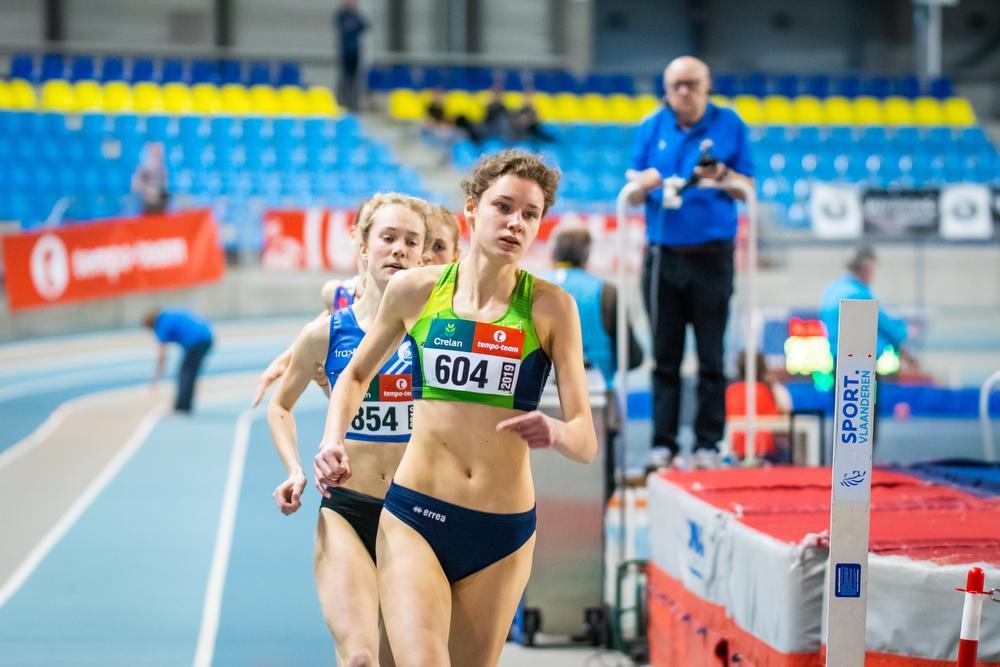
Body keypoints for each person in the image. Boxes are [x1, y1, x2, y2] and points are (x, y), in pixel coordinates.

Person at [315, 150, 597, 666]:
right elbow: (354, 374)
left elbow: (585, 439)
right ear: (472, 207)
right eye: (503, 206)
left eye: (530, 214)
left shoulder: (552, 307)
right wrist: (332, 438)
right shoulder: (416, 291)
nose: (515, 222)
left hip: (502, 532)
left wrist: (553, 431)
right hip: (415, 516)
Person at [267, 193, 430, 666]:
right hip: (348, 509)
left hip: (415, 512)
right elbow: (280, 405)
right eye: (388, 238)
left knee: (403, 656)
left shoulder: (436, 332)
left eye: (411, 241)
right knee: (360, 657)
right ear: (363, 246)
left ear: (423, 254)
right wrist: (295, 469)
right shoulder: (326, 333)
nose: (399, 250)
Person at [626, 55, 755, 469]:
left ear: (706, 85)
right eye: (676, 84)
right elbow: (632, 181)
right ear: (665, 88)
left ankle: (707, 443)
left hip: (712, 258)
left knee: (712, 356)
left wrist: (723, 177)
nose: (683, 91)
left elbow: (747, 186)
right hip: (663, 258)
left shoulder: (730, 125)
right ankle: (663, 443)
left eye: (691, 84)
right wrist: (641, 182)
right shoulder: (651, 126)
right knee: (665, 356)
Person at [542, 226, 642, 499]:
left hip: (537, 405)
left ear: (554, 254)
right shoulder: (606, 293)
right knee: (597, 486)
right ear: (587, 256)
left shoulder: (534, 287)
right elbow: (633, 356)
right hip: (595, 402)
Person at [819, 245, 910, 364]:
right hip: (859, 361)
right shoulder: (858, 295)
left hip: (836, 357)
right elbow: (884, 325)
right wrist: (902, 337)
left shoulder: (833, 289)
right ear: (867, 268)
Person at [143, 307, 213, 413]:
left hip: (197, 341)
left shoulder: (161, 325)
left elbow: (162, 356)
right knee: (189, 373)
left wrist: (156, 378)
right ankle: (185, 405)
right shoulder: (169, 314)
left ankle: (182, 406)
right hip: (206, 336)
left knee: (185, 373)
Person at [725, 352, 792, 460]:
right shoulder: (767, 390)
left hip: (735, 449)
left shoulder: (731, 391)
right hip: (763, 450)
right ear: (763, 369)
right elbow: (780, 420)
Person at [334, 0, 367, 111]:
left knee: (355, 78)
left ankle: (354, 103)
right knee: (345, 78)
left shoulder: (356, 15)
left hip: (355, 51)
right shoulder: (341, 15)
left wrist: (355, 13)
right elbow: (340, 25)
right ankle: (343, 102)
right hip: (345, 52)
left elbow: (364, 26)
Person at [131, 142, 168, 215]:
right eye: (156, 153)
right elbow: (135, 186)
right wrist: (148, 190)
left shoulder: (162, 170)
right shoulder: (143, 169)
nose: (159, 155)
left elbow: (164, 187)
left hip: (160, 203)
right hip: (146, 203)